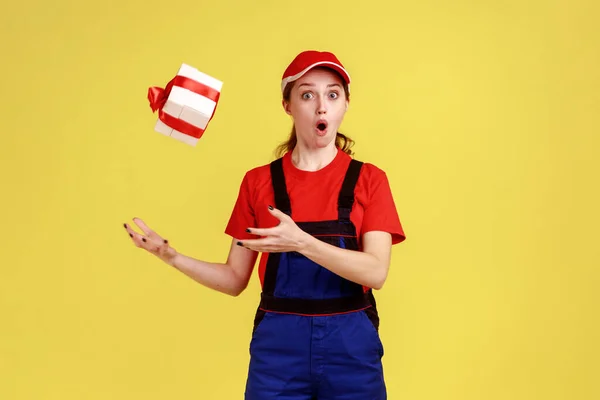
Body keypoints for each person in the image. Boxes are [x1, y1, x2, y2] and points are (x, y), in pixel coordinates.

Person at [124, 50, 406, 399]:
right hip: (278, 354)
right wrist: (170, 255)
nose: (321, 106)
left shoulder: (369, 180)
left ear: (345, 104)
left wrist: (301, 242)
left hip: (351, 350)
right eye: (307, 94)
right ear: (288, 105)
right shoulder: (258, 183)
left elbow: (375, 272)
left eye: (332, 94)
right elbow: (234, 279)